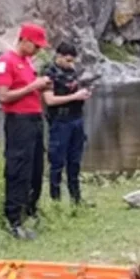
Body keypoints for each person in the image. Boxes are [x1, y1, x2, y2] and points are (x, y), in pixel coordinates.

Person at [0, 23, 51, 240]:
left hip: (35, 118)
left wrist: (41, 87)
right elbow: (3, 96)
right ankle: (13, 219)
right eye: (36, 46)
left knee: (35, 168)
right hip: (18, 120)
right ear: (25, 40)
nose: (38, 50)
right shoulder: (6, 62)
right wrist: (32, 87)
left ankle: (30, 210)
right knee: (18, 167)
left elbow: (29, 90)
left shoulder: (27, 63)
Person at [43, 42, 92, 206]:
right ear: (59, 56)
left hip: (76, 118)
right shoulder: (49, 73)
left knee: (75, 161)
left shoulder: (72, 71)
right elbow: (49, 100)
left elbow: (75, 89)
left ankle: (76, 199)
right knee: (57, 163)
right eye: (68, 60)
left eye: (73, 61)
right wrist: (74, 97)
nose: (71, 64)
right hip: (60, 121)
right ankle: (56, 201)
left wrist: (84, 94)